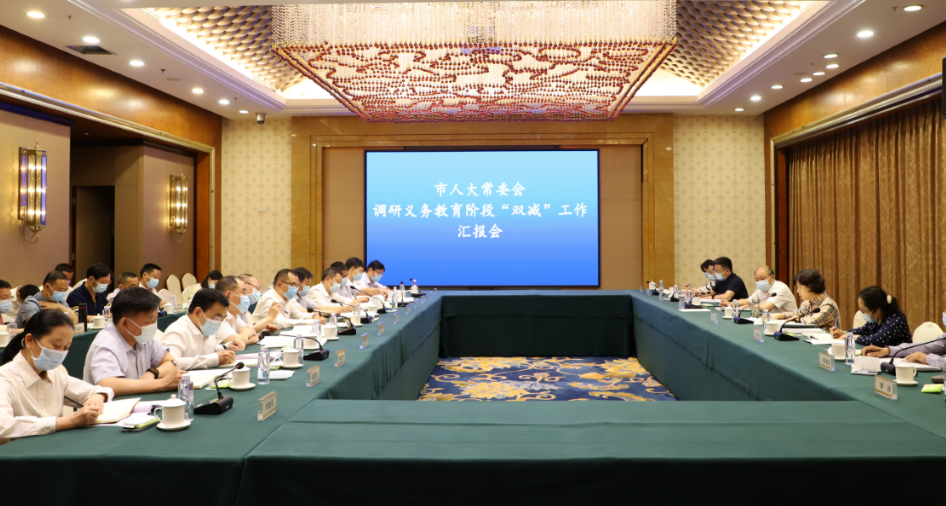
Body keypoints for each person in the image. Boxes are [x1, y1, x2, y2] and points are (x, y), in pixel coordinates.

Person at [0, 309, 114, 445]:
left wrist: (98, 397)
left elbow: (101, 390)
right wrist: (67, 421)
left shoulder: (54, 374)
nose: (60, 353)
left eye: (66, 348)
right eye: (56, 346)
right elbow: (3, 426)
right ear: (29, 341)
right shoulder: (5, 378)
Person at [83, 288, 183, 396]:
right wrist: (161, 384)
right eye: (149, 321)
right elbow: (107, 384)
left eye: (155, 319)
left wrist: (152, 373)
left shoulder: (142, 336)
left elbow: (173, 363)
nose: (153, 325)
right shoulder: (106, 344)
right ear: (125, 323)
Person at [161, 289, 238, 371]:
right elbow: (171, 362)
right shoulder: (176, 331)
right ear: (197, 312)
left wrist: (226, 347)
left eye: (222, 319)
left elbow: (207, 349)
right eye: (216, 318)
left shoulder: (205, 326)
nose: (219, 323)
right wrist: (213, 360)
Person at [863, 295, 946, 367]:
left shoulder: (896, 320)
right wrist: (887, 351)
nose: (944, 312)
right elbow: (926, 347)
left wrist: (926, 358)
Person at [829, 286, 910, 347]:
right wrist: (843, 333)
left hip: (899, 361)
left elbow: (875, 340)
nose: (861, 313)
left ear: (877, 310)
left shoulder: (896, 321)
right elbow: (862, 330)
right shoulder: (876, 319)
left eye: (863, 311)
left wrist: (853, 337)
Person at [251, 269, 324, 329]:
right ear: (279, 284)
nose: (295, 288)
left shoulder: (287, 298)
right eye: (292, 284)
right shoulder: (268, 299)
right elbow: (279, 323)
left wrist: (313, 316)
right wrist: (312, 322)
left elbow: (299, 315)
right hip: (260, 338)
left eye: (296, 285)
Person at [770, 269, 840, 330]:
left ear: (811, 286)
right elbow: (797, 313)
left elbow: (812, 322)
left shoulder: (828, 304)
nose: (797, 291)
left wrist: (796, 318)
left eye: (799, 287)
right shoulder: (807, 303)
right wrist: (780, 315)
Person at [722, 266, 797, 313]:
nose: (760, 282)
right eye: (757, 280)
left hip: (788, 323)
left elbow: (766, 307)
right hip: (772, 320)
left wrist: (749, 306)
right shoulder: (761, 289)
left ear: (772, 277)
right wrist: (730, 303)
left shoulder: (780, 288)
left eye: (762, 279)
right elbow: (747, 301)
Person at [214, 276, 258, 348]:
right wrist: (244, 336)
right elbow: (238, 341)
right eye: (243, 293)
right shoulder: (216, 317)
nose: (246, 297)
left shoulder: (233, 314)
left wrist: (242, 338)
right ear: (228, 295)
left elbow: (254, 336)